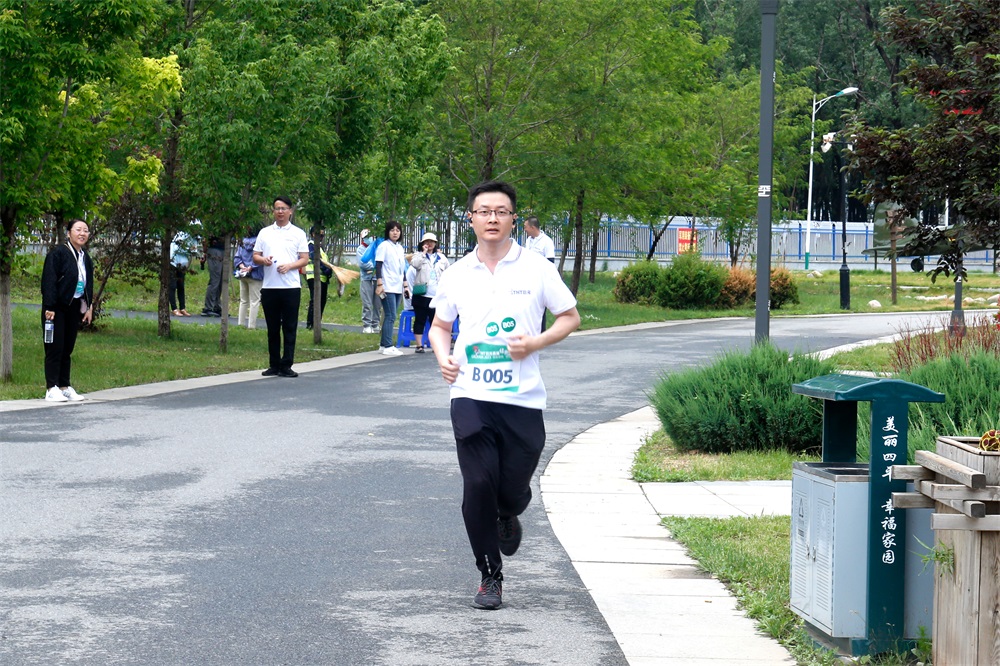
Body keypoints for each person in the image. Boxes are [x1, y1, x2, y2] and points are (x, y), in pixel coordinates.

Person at [428, 181, 580, 610]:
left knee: (510, 488)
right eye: (484, 211)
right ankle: (489, 576)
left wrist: (535, 343)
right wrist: (443, 358)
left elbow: (569, 317)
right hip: (470, 393)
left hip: (522, 398)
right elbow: (440, 327)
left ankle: (508, 511)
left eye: (500, 211)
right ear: (471, 218)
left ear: (514, 218)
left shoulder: (536, 268)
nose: (492, 218)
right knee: (478, 484)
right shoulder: (456, 273)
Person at [253, 196, 309, 377]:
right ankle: (274, 364)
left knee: (289, 327)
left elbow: (304, 259)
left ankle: (287, 364)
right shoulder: (265, 232)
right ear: (273, 211)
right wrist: (264, 260)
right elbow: (255, 255)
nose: (280, 212)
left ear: (290, 211)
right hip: (270, 287)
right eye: (277, 208)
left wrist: (290, 266)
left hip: (291, 287)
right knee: (272, 327)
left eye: (283, 208)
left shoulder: (298, 233)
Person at [40, 218, 95, 402]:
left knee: (67, 347)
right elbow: (49, 281)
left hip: (74, 307)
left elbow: (88, 284)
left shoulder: (85, 257)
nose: (82, 233)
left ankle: (64, 386)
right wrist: (50, 306)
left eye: (85, 230)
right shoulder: (58, 253)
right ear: (69, 232)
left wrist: (88, 306)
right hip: (56, 308)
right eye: (78, 230)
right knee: (54, 347)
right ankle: (51, 388)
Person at [409, 232, 449, 353]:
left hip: (436, 295)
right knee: (420, 320)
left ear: (435, 243)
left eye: (432, 241)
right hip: (421, 294)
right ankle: (419, 345)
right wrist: (424, 253)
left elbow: (448, 272)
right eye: (427, 242)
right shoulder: (418, 256)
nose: (429, 244)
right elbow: (414, 264)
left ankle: (435, 345)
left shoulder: (441, 258)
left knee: (435, 322)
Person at [374, 220, 408, 357]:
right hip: (387, 285)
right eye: (392, 230)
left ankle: (383, 345)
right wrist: (380, 283)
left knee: (391, 315)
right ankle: (388, 346)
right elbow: (378, 265)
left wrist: (405, 285)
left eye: (397, 230)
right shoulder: (384, 246)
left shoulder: (399, 248)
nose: (395, 233)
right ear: (388, 232)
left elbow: (402, 268)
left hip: (397, 286)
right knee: (390, 315)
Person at [523, 216, 557, 331]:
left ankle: (541, 333)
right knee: (529, 307)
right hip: (528, 279)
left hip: (541, 280)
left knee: (540, 308)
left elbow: (550, 262)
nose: (525, 229)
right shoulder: (528, 240)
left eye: (525, 227)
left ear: (532, 227)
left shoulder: (547, 241)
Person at [304, 226, 335, 330]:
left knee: (321, 301)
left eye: (323, 235)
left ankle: (317, 324)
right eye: (320, 235)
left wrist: (329, 271)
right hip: (314, 277)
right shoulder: (311, 246)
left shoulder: (320, 247)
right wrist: (326, 270)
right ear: (313, 234)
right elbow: (316, 259)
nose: (322, 237)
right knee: (315, 300)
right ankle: (310, 324)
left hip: (323, 278)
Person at [234, 230, 264, 329]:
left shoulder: (242, 242)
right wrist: (250, 267)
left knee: (243, 300)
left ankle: (240, 324)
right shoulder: (260, 242)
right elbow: (260, 258)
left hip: (243, 275)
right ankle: (251, 326)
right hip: (256, 275)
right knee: (254, 301)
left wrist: (243, 267)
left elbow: (237, 258)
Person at [356, 229, 379, 333]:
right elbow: (363, 263)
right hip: (366, 278)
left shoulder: (376, 248)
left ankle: (375, 324)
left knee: (377, 304)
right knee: (367, 303)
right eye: (367, 237)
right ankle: (367, 325)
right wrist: (374, 267)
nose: (369, 239)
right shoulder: (360, 249)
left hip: (377, 278)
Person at [169, 229, 197, 316]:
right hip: (173, 262)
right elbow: (177, 248)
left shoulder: (195, 238)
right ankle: (174, 308)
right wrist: (189, 250)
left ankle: (182, 308)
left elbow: (194, 251)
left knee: (181, 286)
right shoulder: (182, 234)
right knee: (172, 286)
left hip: (182, 264)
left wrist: (192, 251)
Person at [200, 234, 224, 317]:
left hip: (223, 249)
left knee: (221, 281)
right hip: (214, 250)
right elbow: (206, 237)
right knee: (215, 281)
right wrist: (204, 252)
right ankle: (208, 308)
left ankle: (216, 306)